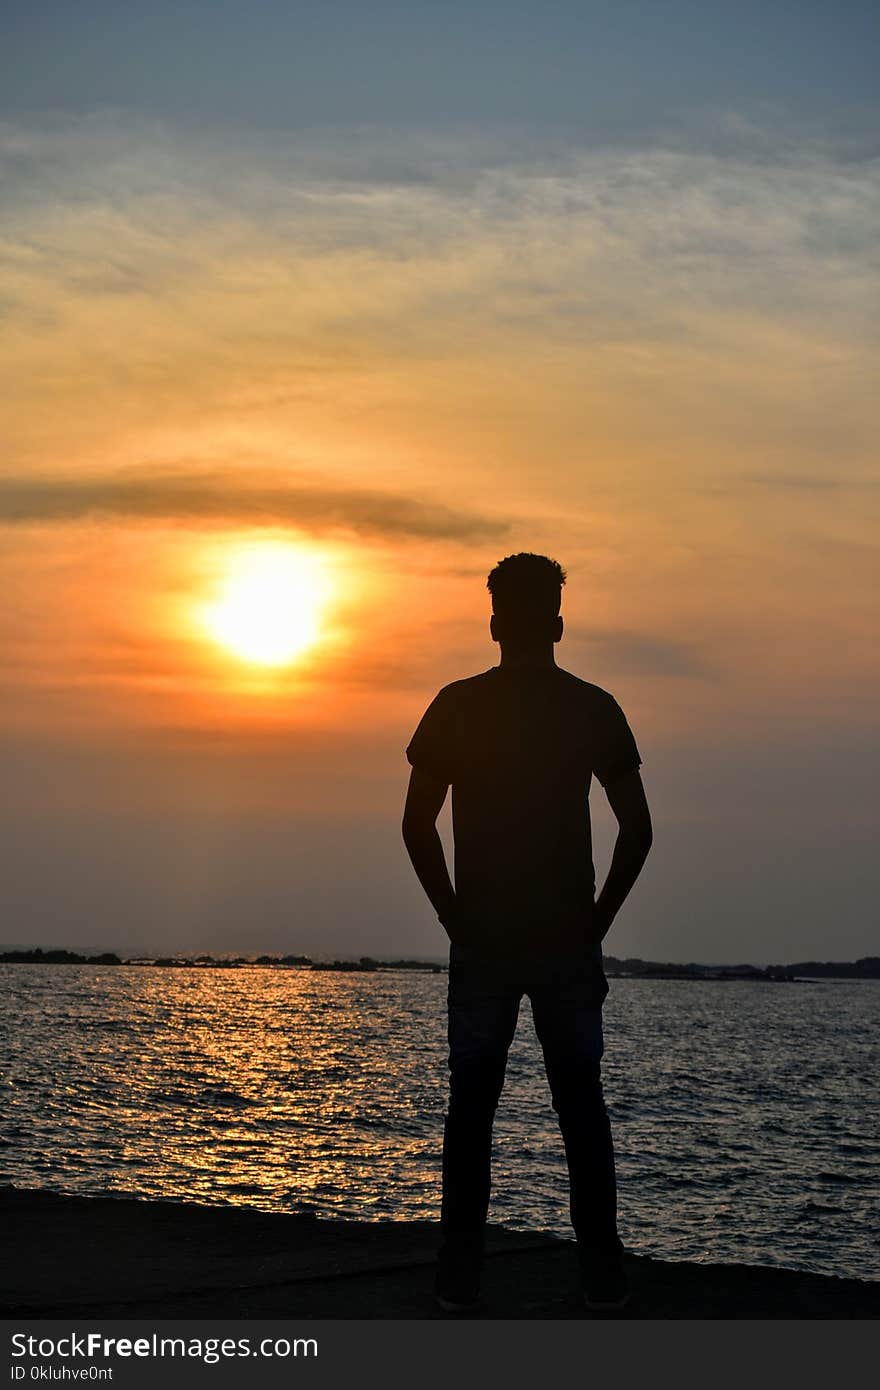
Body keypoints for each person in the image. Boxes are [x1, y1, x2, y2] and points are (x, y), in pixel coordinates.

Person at [401, 551, 653, 1314]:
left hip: (485, 941)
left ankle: (459, 1277)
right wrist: (596, 921)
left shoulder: (455, 705)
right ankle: (602, 1277)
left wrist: (454, 916)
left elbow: (417, 826)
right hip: (564, 942)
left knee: (470, 1111)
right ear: (558, 622)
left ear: (493, 623)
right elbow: (637, 831)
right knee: (581, 1108)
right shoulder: (593, 707)